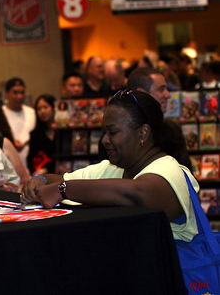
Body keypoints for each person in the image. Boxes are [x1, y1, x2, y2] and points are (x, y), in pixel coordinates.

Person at [22, 90, 198, 242]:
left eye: (112, 132)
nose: (104, 140)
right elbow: (60, 180)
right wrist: (40, 179)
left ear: (143, 133)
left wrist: (62, 190)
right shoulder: (111, 169)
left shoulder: (170, 171)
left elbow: (139, 194)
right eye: (103, 132)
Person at [2, 77, 36, 171]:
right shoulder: (1, 113)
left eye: (22, 92)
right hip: (8, 165)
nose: (19, 96)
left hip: (29, 165)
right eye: (15, 93)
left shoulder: (32, 112)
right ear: (6, 94)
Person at [27, 94, 57, 176]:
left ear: (54, 108)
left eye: (45, 107)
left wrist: (46, 169)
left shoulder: (63, 131)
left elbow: (61, 155)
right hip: (42, 176)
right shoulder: (36, 134)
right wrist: (34, 173)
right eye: (39, 109)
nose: (42, 111)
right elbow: (30, 158)